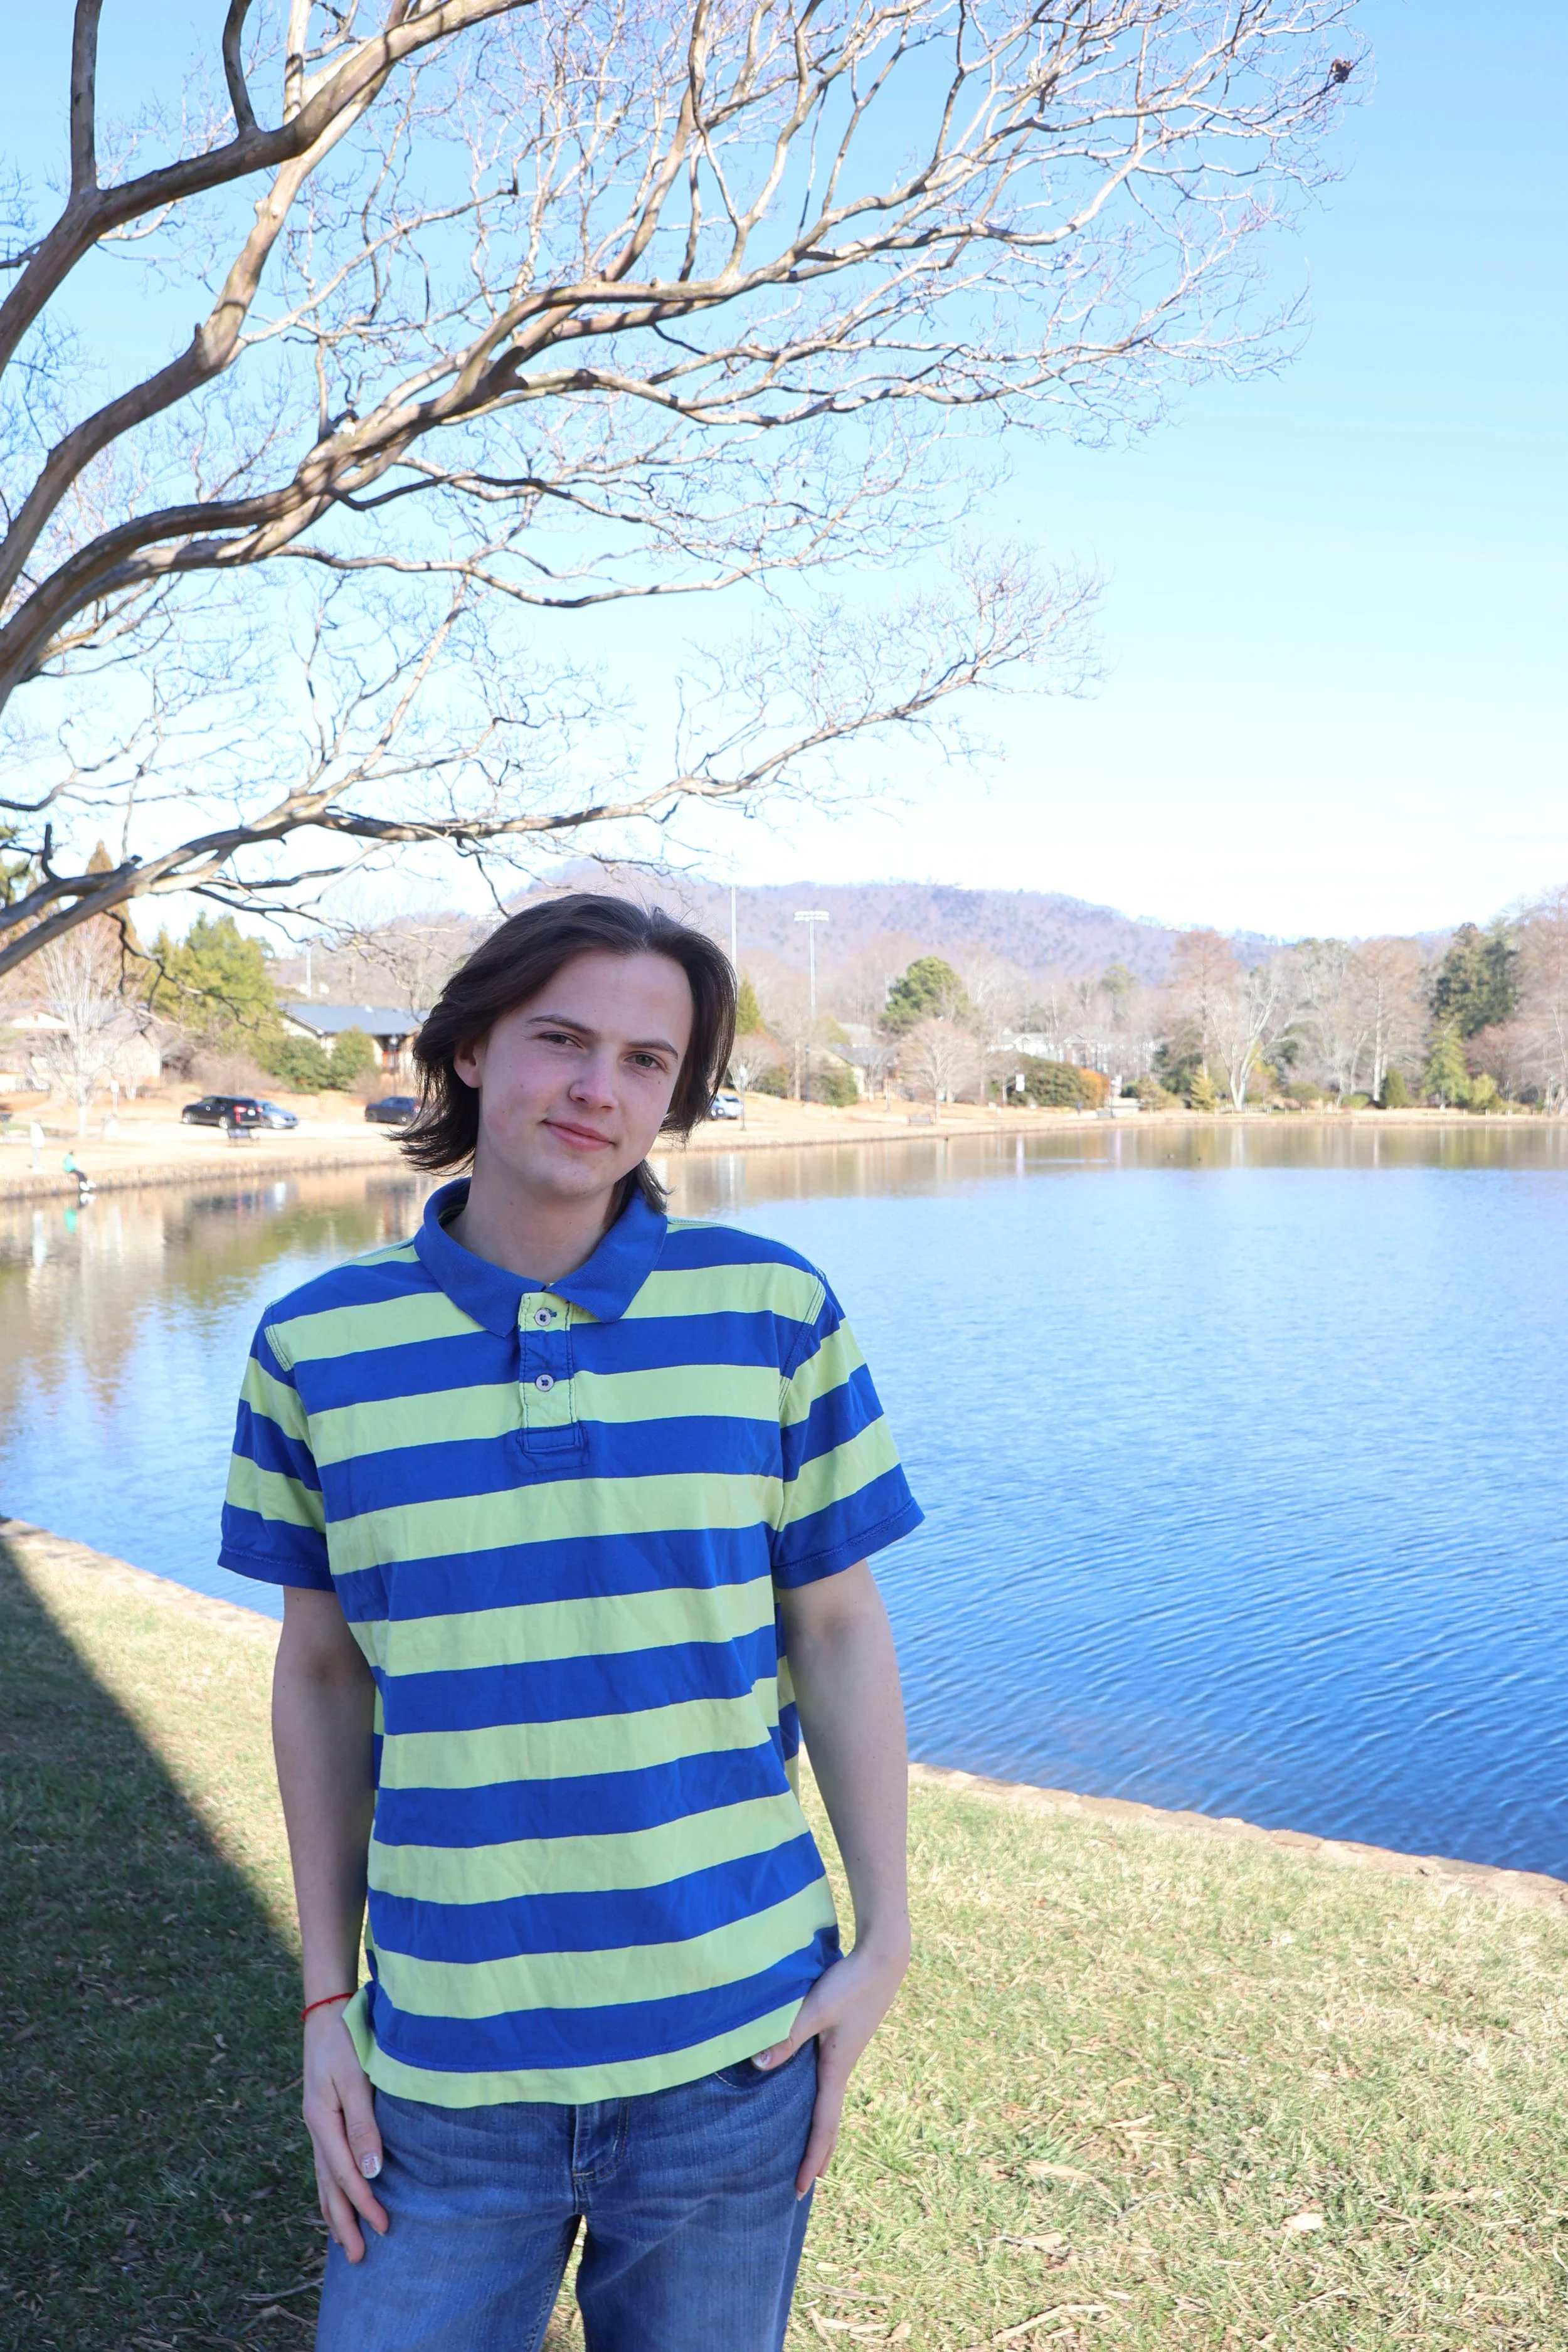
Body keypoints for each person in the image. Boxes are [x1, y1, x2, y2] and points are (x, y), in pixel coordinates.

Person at [220, 894, 922, 2352]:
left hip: (736, 2052)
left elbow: (842, 1635)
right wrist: (319, 2007)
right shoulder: (312, 1345)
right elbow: (320, 1677)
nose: (601, 1089)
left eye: (649, 1060)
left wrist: (884, 1940)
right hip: (440, 2072)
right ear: (470, 1047)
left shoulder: (773, 1311)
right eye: (561, 1039)